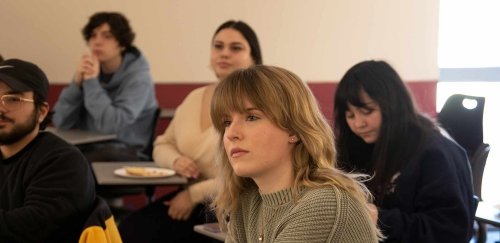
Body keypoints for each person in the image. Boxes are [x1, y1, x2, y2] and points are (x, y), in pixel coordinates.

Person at [118, 20, 262, 242]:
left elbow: (251, 172)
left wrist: (193, 195)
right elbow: (162, 144)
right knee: (128, 229)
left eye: (236, 48)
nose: (224, 53)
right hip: (191, 199)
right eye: (218, 46)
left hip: (234, 203)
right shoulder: (195, 98)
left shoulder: (257, 103)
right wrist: (175, 160)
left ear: (254, 58)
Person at [210, 65, 380, 242]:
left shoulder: (323, 204)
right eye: (227, 122)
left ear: (293, 130)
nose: (230, 134)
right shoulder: (247, 202)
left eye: (252, 117)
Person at [333, 60, 475, 242]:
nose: (358, 123)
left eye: (367, 111)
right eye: (350, 115)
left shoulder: (436, 152)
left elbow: (449, 231)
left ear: (392, 104)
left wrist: (378, 218)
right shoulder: (362, 145)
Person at [0, 58, 96, 242]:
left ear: (42, 111)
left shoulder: (63, 162)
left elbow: (27, 230)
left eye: (13, 99)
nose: (0, 108)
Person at [53, 11, 158, 161]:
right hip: (90, 146)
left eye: (107, 36)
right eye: (93, 36)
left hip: (126, 151)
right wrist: (76, 84)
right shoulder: (91, 71)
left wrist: (91, 83)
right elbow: (60, 122)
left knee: (72, 162)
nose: (97, 42)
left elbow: (111, 126)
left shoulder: (139, 78)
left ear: (122, 44)